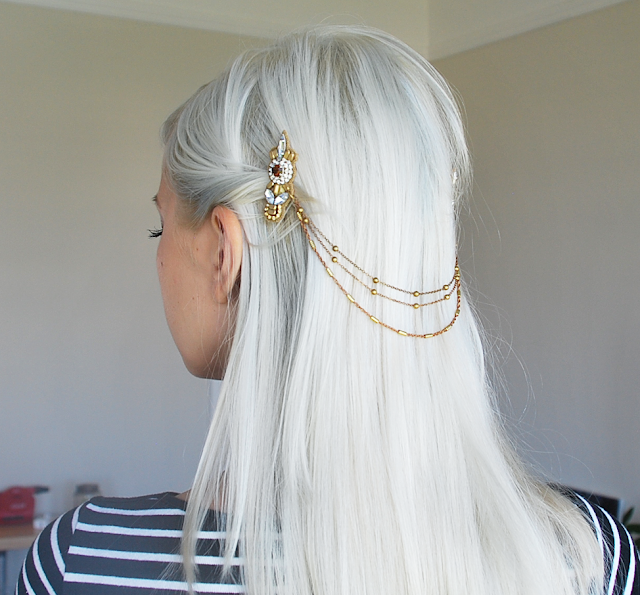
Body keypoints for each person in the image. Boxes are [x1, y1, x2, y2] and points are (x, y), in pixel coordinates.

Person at [18, 25, 638, 595]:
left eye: (161, 228)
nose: (157, 256)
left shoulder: (81, 564)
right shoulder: (590, 559)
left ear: (224, 253)